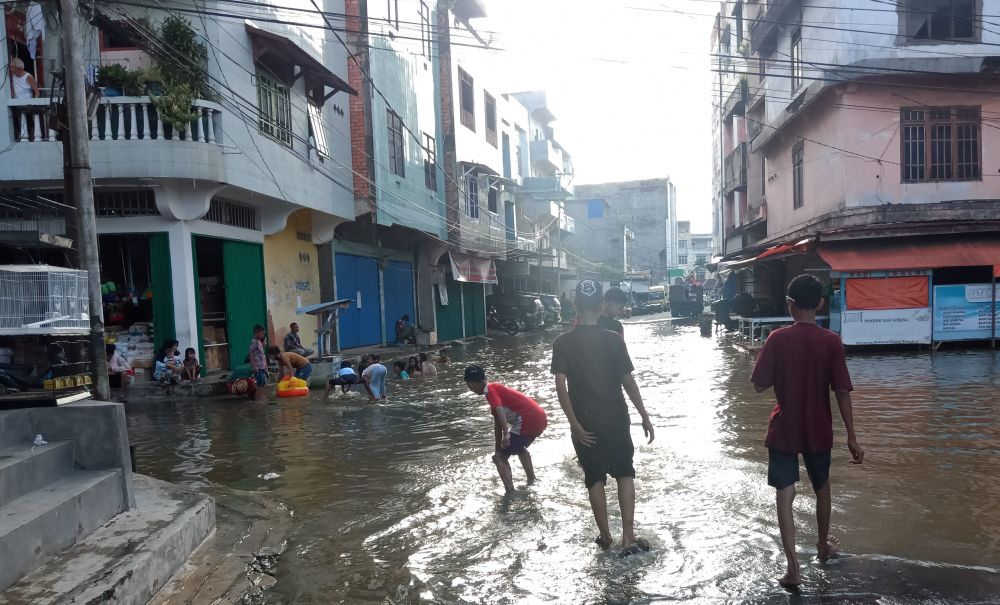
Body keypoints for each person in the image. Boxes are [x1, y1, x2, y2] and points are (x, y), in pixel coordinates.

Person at [750, 274, 864, 588]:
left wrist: (763, 354)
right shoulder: (831, 341)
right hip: (819, 429)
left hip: (784, 428)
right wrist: (852, 436)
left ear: (789, 304)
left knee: (785, 495)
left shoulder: (776, 339)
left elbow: (759, 386)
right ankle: (823, 546)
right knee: (822, 487)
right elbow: (842, 391)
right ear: (821, 304)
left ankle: (792, 569)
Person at [551, 279, 655, 556]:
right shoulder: (613, 340)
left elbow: (560, 386)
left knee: (594, 478)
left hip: (584, 423)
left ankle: (606, 536)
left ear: (574, 306)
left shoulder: (563, 342)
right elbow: (628, 382)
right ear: (600, 307)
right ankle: (628, 536)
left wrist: (574, 424)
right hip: (616, 420)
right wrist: (644, 415)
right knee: (624, 473)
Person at [465, 365, 547, 494]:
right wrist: (498, 449)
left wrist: (506, 435)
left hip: (529, 420)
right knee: (516, 449)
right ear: (484, 378)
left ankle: (510, 493)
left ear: (470, 385)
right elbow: (497, 422)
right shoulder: (494, 388)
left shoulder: (490, 390)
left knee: (499, 458)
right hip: (539, 418)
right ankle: (532, 480)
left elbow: (498, 409)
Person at [249, 325, 268, 391]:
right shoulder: (254, 342)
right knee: (259, 385)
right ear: (256, 333)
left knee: (263, 383)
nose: (263, 335)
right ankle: (259, 399)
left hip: (262, 367)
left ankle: (261, 399)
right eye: (262, 334)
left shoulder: (259, 342)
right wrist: (254, 366)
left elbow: (262, 355)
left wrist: (265, 366)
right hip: (258, 368)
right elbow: (251, 353)